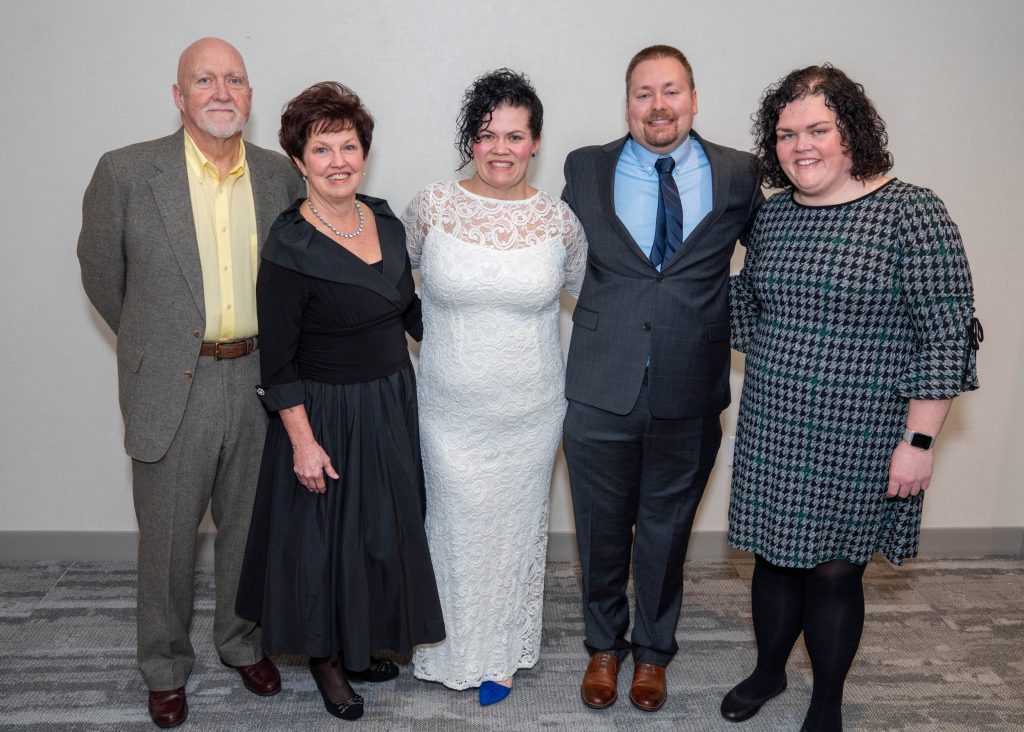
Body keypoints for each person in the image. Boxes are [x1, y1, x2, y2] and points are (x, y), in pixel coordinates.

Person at [722, 65, 980, 732]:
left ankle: (827, 699)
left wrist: (918, 442)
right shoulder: (774, 217)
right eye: (786, 134)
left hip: (864, 429)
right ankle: (769, 670)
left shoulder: (911, 213)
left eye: (818, 129)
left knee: (835, 572)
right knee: (774, 559)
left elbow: (946, 336)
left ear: (851, 133)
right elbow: (751, 309)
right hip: (774, 420)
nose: (800, 146)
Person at [77, 37, 305, 728]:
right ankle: (165, 666)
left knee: (249, 528)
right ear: (179, 96)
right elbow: (103, 276)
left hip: (260, 379)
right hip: (176, 382)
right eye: (204, 80)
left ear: (250, 96)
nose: (221, 92)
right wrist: (159, 341)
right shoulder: (126, 173)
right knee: (169, 539)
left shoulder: (278, 175)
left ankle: (241, 642)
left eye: (234, 79)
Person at [561, 45, 763, 713]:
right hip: (601, 383)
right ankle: (603, 646)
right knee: (599, 529)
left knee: (666, 531)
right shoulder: (585, 167)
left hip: (690, 383)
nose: (658, 106)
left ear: (693, 99)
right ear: (628, 104)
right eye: (644, 93)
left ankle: (652, 652)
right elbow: (550, 250)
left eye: (671, 91)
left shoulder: (738, 173)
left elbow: (773, 259)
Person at [234, 81, 445, 722]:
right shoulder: (289, 245)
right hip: (324, 413)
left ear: (364, 153)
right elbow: (278, 358)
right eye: (321, 149)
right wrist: (302, 441)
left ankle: (360, 646)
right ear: (299, 162)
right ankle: (325, 660)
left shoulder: (385, 221)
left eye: (348, 146)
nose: (337, 161)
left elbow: (409, 311)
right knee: (324, 543)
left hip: (389, 402)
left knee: (378, 533)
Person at [402, 69, 587, 706]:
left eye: (514, 136)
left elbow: (592, 301)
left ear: (535, 142)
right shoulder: (432, 206)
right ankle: (442, 647)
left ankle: (502, 655)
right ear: (470, 142)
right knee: (451, 527)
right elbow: (388, 286)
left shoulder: (558, 222)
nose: (500, 149)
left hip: (529, 412)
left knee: (511, 532)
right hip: (446, 408)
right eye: (487, 135)